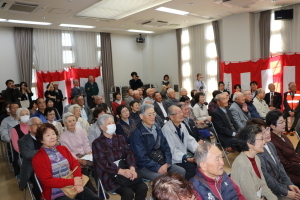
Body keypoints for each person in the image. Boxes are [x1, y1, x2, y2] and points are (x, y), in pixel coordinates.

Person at [32, 123, 99, 200]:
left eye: (53, 134)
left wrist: (77, 179)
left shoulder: (62, 149)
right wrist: (73, 182)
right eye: (48, 135)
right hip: (56, 192)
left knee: (94, 198)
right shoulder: (38, 158)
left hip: (73, 185)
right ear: (41, 140)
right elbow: (47, 181)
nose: (52, 137)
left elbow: (75, 164)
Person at [92, 114, 148, 200]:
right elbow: (103, 163)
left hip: (127, 172)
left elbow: (129, 154)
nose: (112, 125)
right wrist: (121, 171)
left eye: (113, 122)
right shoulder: (97, 143)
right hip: (110, 177)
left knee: (143, 188)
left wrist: (132, 167)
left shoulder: (120, 138)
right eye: (109, 123)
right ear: (102, 127)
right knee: (128, 193)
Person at [130, 104, 185, 181]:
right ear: (141, 116)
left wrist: (166, 164)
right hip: (145, 166)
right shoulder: (137, 133)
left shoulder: (157, 129)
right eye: (149, 115)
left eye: (153, 114)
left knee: (181, 171)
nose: (152, 117)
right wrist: (157, 168)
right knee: (162, 179)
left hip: (161, 161)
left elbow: (166, 147)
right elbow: (141, 157)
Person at [248, 118, 300, 200]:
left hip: (282, 185)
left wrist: (289, 184)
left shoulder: (270, 145)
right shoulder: (257, 154)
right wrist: (285, 192)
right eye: (263, 132)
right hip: (271, 191)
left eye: (267, 129)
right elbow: (268, 180)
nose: (268, 133)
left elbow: (280, 166)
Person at [231, 125, 277, 200]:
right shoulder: (242, 164)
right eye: (261, 139)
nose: (264, 142)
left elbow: (263, 185)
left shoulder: (256, 158)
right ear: (249, 143)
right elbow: (250, 196)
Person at [60, 112, 97, 193]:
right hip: (73, 159)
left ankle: (100, 189)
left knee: (98, 165)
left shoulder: (82, 131)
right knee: (83, 170)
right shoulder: (63, 137)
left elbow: (86, 144)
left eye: (73, 120)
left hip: (85, 155)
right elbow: (68, 152)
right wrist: (78, 160)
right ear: (65, 123)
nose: (72, 123)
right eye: (69, 121)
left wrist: (90, 153)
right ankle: (92, 192)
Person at [162, 105, 199, 180]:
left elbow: (189, 140)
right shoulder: (166, 129)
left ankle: (193, 186)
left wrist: (199, 150)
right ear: (171, 117)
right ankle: (185, 187)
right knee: (191, 167)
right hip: (174, 158)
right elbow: (171, 150)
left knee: (198, 164)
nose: (181, 114)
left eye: (181, 112)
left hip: (182, 155)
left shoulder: (182, 125)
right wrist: (186, 158)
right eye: (178, 113)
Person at [266, 110, 300, 188]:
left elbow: (293, 153)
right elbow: (284, 164)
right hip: (289, 174)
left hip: (295, 166)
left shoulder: (282, 135)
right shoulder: (272, 142)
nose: (284, 124)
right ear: (272, 126)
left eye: (284, 121)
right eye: (281, 122)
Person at [18, 117, 43, 200]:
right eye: (36, 124)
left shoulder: (46, 136)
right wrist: (43, 150)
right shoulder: (23, 140)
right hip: (32, 168)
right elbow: (26, 154)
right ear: (29, 128)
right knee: (40, 183)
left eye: (40, 124)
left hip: (50, 165)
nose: (39, 126)